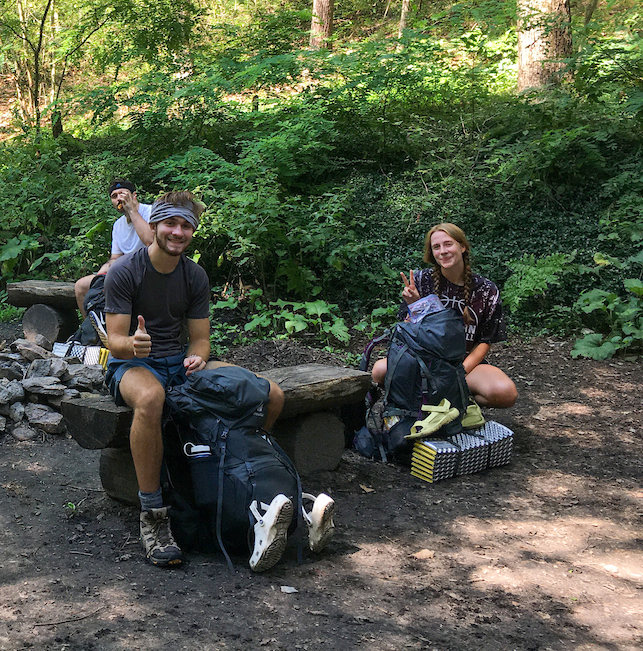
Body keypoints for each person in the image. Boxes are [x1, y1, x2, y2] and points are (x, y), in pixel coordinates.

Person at [103, 191, 333, 569]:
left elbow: (200, 338)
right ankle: (154, 518)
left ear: (192, 231)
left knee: (270, 394)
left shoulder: (194, 275)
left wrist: (198, 356)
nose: (178, 232)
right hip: (130, 367)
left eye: (186, 226)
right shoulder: (126, 271)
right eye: (171, 224)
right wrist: (134, 343)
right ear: (156, 225)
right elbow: (114, 341)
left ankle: (255, 484)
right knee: (151, 399)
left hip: (179, 363)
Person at [375, 222, 518, 413]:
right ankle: (421, 398)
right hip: (424, 361)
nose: (443, 251)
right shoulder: (420, 281)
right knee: (379, 371)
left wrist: (459, 373)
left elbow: (486, 340)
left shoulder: (486, 290)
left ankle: (458, 399)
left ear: (462, 246)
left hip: (464, 364)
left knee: (505, 392)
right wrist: (415, 304)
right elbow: (408, 332)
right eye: (436, 247)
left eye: (448, 244)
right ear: (432, 253)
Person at [74, 179, 154, 315]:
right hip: (124, 272)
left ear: (134, 196)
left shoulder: (151, 212)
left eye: (122, 194)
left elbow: (151, 242)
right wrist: (101, 276)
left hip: (150, 272)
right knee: (81, 286)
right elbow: (115, 258)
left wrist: (132, 211)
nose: (119, 199)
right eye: (114, 196)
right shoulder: (118, 225)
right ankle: (91, 330)